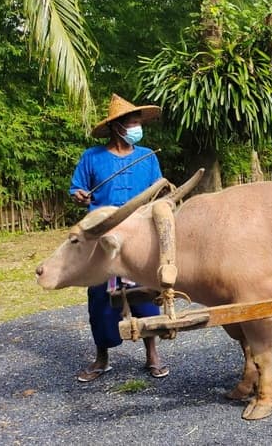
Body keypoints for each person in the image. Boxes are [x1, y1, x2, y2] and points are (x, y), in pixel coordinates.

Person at [69, 94, 169, 382]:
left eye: (139, 123)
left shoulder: (147, 156)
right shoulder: (92, 157)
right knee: (100, 297)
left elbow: (158, 190)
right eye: (133, 124)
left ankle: (152, 355)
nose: (138, 128)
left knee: (146, 293)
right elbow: (77, 189)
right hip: (102, 238)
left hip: (139, 236)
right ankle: (102, 358)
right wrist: (79, 195)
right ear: (117, 128)